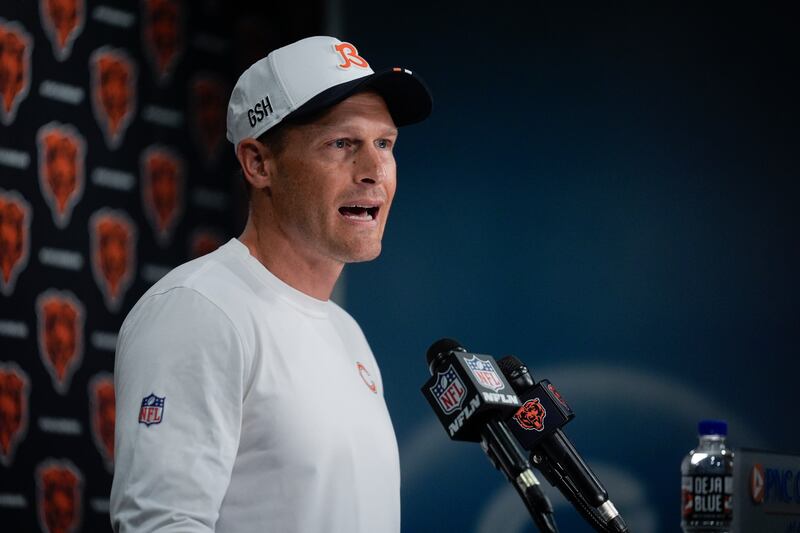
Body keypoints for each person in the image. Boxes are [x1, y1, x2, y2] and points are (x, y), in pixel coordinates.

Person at [110, 36, 432, 533]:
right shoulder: (199, 310)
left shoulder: (347, 332)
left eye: (384, 144)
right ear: (259, 163)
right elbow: (161, 524)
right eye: (342, 144)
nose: (373, 171)